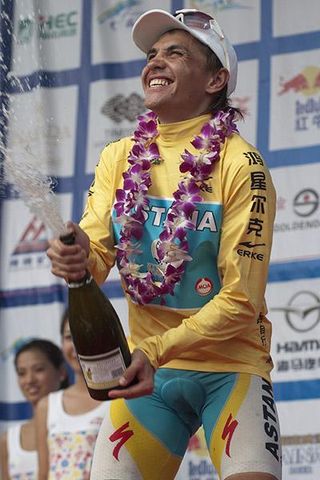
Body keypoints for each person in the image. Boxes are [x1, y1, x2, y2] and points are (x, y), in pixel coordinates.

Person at [47, 8, 281, 480]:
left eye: (176, 53)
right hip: (145, 380)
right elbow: (94, 263)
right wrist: (74, 259)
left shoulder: (243, 166)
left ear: (216, 79)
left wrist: (153, 351)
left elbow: (240, 300)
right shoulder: (118, 156)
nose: (155, 62)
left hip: (229, 368)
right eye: (152, 54)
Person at [35, 309, 108, 479]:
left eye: (86, 334)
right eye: (69, 337)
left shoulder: (119, 400)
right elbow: (43, 474)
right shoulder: (47, 406)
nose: (77, 344)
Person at [0, 338, 68, 480]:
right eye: (22, 373)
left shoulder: (78, 425)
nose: (29, 380)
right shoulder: (9, 439)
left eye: (38, 370)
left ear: (61, 372)